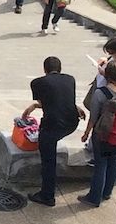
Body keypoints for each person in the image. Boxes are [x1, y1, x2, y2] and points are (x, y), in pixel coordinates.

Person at [26, 54, 81, 208]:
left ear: (45, 69)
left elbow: (44, 102)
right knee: (52, 145)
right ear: (60, 69)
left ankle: (47, 195)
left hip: (53, 125)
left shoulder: (37, 83)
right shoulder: (70, 79)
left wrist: (34, 106)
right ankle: (48, 191)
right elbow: (61, 99)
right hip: (71, 123)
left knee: (48, 161)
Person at [80, 61, 116, 207]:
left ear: (107, 75)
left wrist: (86, 134)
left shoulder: (100, 93)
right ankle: (107, 192)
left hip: (103, 134)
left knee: (101, 165)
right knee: (114, 162)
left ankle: (94, 198)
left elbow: (93, 117)